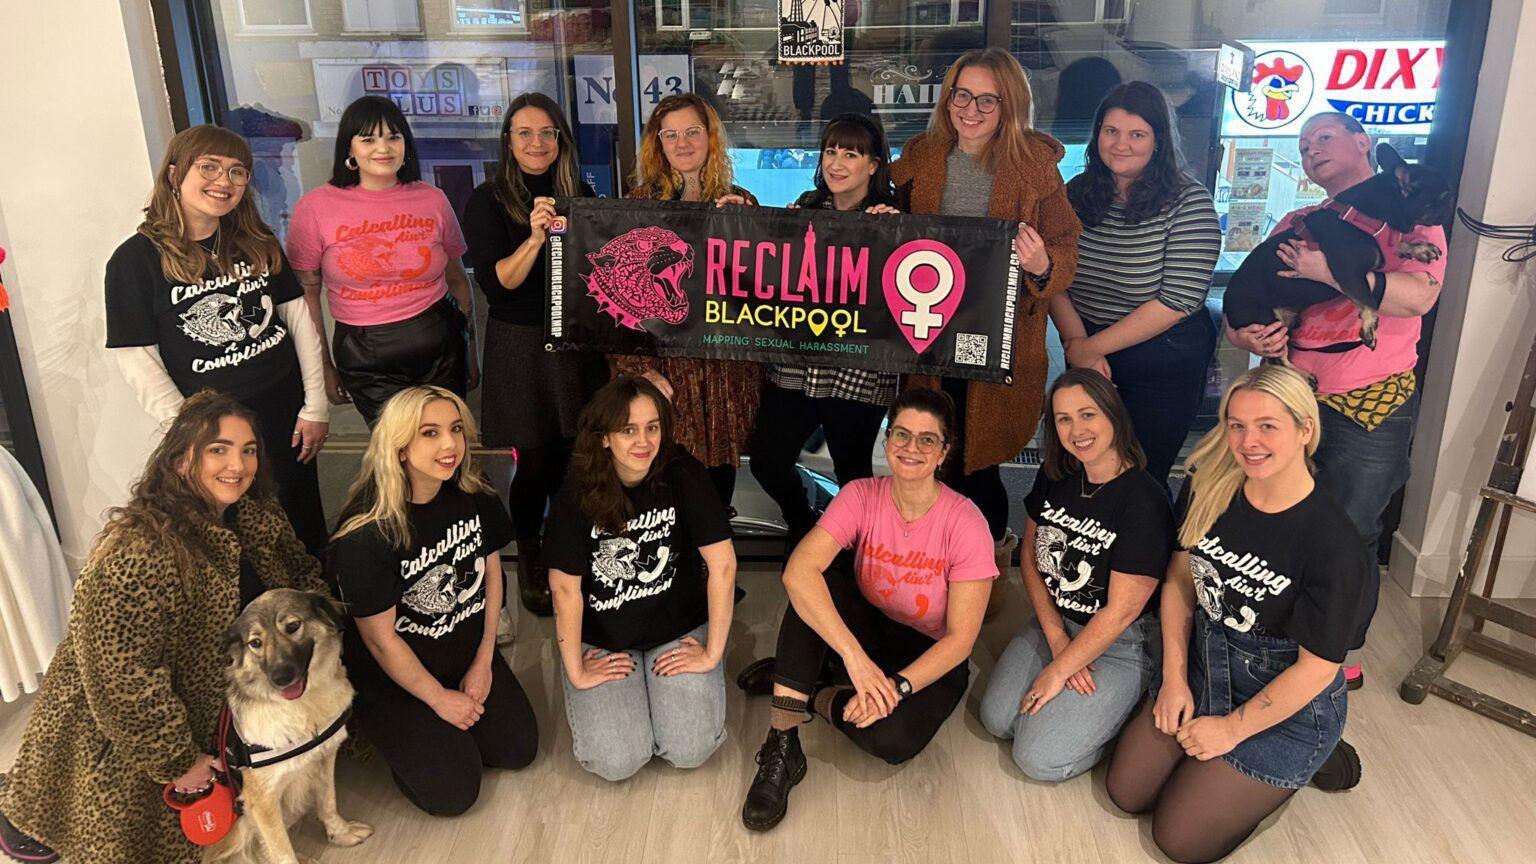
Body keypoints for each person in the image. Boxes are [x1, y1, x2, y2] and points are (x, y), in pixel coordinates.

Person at [0, 391, 328, 864]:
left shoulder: (254, 512)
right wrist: (178, 761)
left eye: (248, 449)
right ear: (180, 460)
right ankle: (24, 816)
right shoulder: (139, 552)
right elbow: (123, 681)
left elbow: (299, 575)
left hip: (226, 696)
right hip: (126, 727)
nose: (238, 464)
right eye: (218, 449)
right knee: (151, 840)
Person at [1104, 366, 1373, 863]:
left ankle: (1318, 759)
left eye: (1267, 425)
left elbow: (1317, 667)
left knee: (1178, 838)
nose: (1248, 441)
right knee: (1127, 792)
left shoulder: (1333, 545)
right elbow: (1180, 583)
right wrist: (1173, 679)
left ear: (1304, 429)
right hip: (1205, 668)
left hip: (1287, 701)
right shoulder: (1209, 486)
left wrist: (1231, 730)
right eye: (1236, 424)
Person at [1225, 111, 1448, 690]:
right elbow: (1253, 299)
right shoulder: (1302, 218)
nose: (1311, 150)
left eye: (1323, 137)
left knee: (1352, 529)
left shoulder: (1410, 216)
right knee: (1278, 518)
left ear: (1363, 143)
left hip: (1371, 397)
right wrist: (1247, 334)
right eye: (1302, 145)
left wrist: (1329, 270)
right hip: (1293, 395)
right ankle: (1277, 631)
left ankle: (1338, 656)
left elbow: (1417, 297)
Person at [741, 388, 996, 832]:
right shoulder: (861, 494)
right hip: (867, 628)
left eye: (927, 440)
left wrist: (895, 688)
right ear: (887, 439)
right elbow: (798, 572)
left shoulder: (967, 522)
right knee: (812, 586)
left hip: (926, 652)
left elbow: (961, 641)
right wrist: (857, 661)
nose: (911, 448)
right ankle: (783, 739)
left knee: (893, 741)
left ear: (943, 452)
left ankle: (811, 690)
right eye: (901, 434)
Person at [889, 47, 1083, 593]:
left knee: (979, 465)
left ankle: (985, 576)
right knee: (934, 454)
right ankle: (930, 565)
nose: (971, 109)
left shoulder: (1034, 166)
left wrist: (1043, 264)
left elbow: (1066, 245)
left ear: (1009, 106)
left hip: (1001, 339)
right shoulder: (923, 154)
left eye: (988, 101)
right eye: (962, 95)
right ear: (948, 97)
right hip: (926, 331)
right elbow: (885, 220)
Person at [105, 124, 331, 553]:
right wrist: (188, 434)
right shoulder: (134, 261)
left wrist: (315, 404)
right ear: (175, 175)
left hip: (285, 413)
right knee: (239, 546)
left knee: (303, 532)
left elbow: (299, 320)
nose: (223, 182)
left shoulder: (257, 241)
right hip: (212, 430)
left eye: (237, 172)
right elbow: (137, 358)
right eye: (209, 167)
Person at [331, 386, 537, 816]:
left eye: (456, 429)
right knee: (454, 794)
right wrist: (439, 700)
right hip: (396, 673)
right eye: (429, 433)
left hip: (460, 651)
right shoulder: (365, 532)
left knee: (518, 750)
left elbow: (493, 574)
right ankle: (386, 734)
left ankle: (445, 735)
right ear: (400, 446)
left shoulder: (475, 495)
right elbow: (381, 642)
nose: (450, 445)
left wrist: (484, 661)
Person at [979, 368, 1174, 781]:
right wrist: (1056, 639)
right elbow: (1030, 556)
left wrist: (1059, 669)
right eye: (1064, 419)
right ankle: (1077, 713)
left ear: (1113, 416)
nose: (1076, 429)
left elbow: (1121, 612)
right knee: (996, 720)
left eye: (1088, 415)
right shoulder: (1056, 475)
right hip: (1057, 619)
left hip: (1119, 640)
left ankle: (1122, 713)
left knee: (1037, 759)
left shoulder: (1145, 501)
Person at [543, 375, 737, 781]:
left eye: (652, 427)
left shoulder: (684, 473)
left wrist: (712, 653)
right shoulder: (577, 491)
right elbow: (564, 589)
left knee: (691, 749)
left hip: (676, 628)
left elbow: (722, 565)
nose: (643, 441)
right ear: (604, 438)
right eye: (628, 430)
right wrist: (576, 669)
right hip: (605, 638)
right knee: (616, 762)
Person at [461, 93, 607, 619]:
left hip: (576, 342)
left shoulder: (581, 192)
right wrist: (535, 236)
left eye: (547, 132)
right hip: (521, 342)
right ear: (508, 141)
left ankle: (572, 551)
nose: (537, 143)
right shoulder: (487, 200)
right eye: (525, 133)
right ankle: (529, 551)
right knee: (536, 460)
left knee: (578, 456)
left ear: (561, 140)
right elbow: (500, 285)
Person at [1051, 82, 1222, 489]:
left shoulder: (1189, 202)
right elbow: (1053, 271)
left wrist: (1090, 348)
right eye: (1111, 131)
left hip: (1161, 358)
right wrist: (1077, 341)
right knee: (1079, 467)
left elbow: (1178, 299)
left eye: (1137, 134)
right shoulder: (1076, 192)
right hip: (1087, 348)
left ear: (1159, 141)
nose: (1120, 144)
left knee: (1140, 474)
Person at [748, 112, 901, 547]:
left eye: (851, 154)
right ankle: (803, 520)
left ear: (872, 165)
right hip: (796, 369)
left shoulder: (894, 220)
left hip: (858, 374)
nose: (837, 162)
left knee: (853, 472)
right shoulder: (804, 208)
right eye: (831, 151)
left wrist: (894, 236)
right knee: (767, 461)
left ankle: (851, 550)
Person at [286, 95, 478, 427]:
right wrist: (323, 369)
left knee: (448, 446)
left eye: (393, 137)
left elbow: (458, 278)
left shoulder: (432, 198)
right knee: (396, 454)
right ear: (350, 148)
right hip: (365, 354)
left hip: (441, 343)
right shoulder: (315, 208)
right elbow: (308, 297)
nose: (383, 148)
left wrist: (470, 351)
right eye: (369, 138)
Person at [612, 92, 761, 510]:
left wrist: (746, 229)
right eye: (671, 134)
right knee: (670, 482)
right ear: (657, 144)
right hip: (666, 369)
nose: (683, 143)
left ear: (710, 137)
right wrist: (639, 370)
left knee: (719, 482)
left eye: (693, 131)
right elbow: (617, 297)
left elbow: (763, 285)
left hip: (725, 370)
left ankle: (717, 572)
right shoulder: (636, 208)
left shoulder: (742, 201)